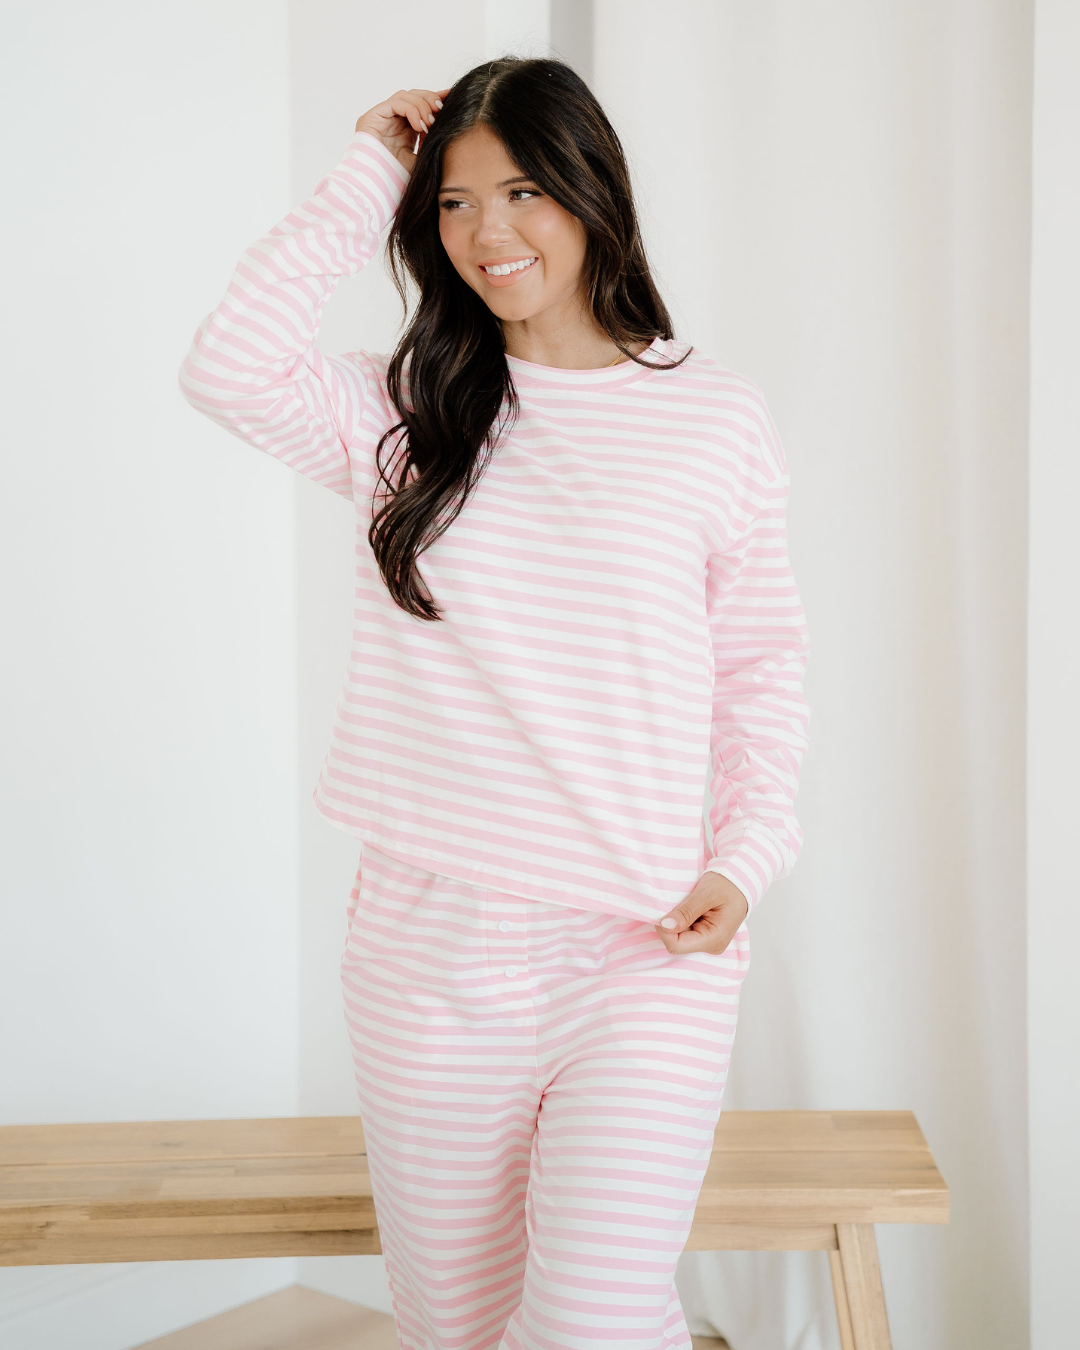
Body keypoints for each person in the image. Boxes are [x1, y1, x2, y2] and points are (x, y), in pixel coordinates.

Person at [180, 56, 810, 1350]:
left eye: (522, 191)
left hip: (643, 946)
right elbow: (228, 366)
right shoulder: (407, 413)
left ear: (591, 190)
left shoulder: (713, 418)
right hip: (428, 947)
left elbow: (760, 664)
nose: (486, 232)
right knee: (456, 1327)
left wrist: (749, 853)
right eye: (455, 203)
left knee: (592, 1321)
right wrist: (371, 169)